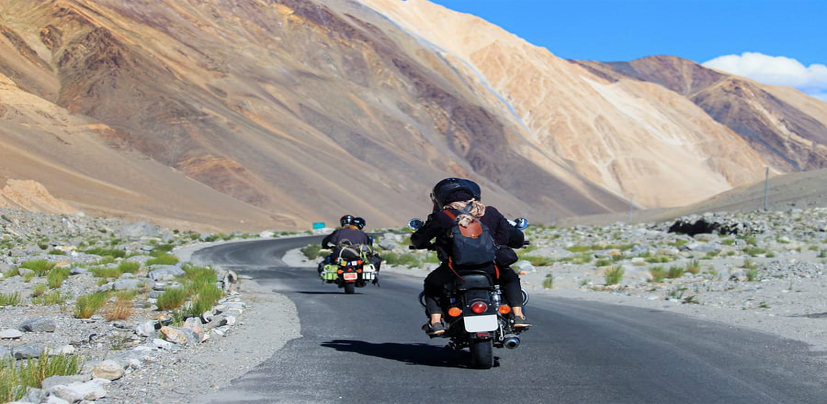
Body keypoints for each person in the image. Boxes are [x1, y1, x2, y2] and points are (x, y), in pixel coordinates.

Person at [411, 178, 531, 336]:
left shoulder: (442, 216)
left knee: (432, 284)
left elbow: (418, 240)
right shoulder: (490, 212)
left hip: (455, 270)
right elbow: (516, 238)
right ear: (474, 196)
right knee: (511, 279)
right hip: (491, 268)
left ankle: (436, 322)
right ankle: (518, 315)